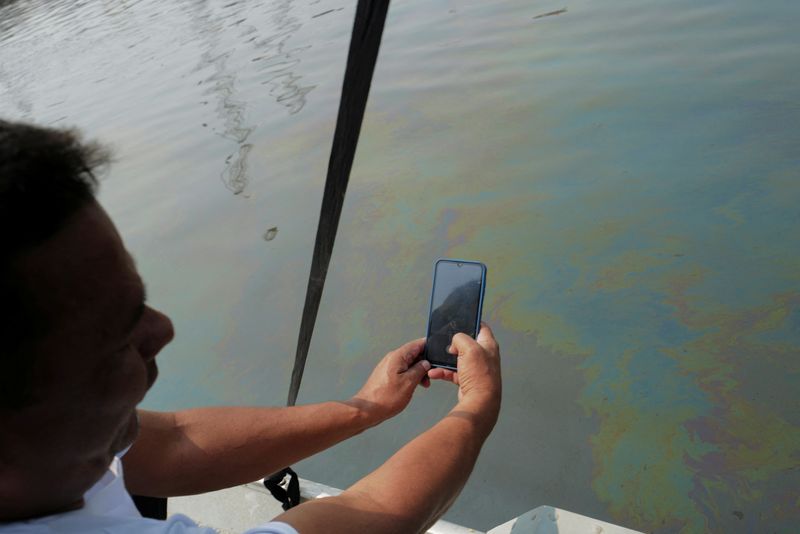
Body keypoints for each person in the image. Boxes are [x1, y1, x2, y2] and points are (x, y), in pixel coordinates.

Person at [0, 119, 502, 533]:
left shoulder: (59, 439)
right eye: (114, 333)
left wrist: (366, 409)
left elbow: (175, 441)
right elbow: (370, 515)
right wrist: (477, 409)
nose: (162, 329)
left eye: (140, 302)